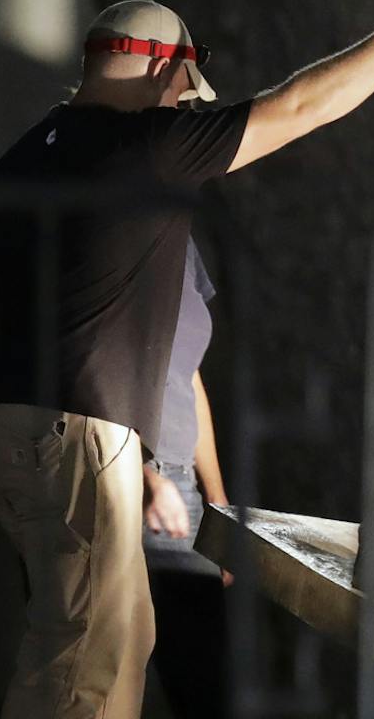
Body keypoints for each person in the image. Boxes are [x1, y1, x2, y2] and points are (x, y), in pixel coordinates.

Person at [0, 0, 374, 719]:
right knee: (83, 670)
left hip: (4, 431)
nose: (184, 109)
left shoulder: (19, 162)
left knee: (96, 645)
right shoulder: (149, 146)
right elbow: (299, 105)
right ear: (164, 69)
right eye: (184, 93)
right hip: (81, 436)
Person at [139, 236, 229, 718]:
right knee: (99, 670)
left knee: (201, 676)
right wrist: (147, 478)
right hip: (118, 475)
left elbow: (190, 378)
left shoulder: (184, 242)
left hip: (181, 489)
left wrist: (218, 508)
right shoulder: (106, 229)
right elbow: (87, 368)